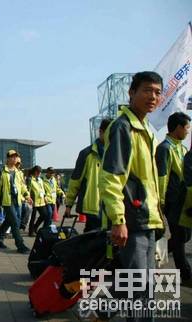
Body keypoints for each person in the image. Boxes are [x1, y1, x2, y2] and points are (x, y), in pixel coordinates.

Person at [99, 71, 164, 321]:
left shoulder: (146, 130)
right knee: (139, 290)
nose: (153, 96)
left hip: (148, 221)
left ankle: (104, 311)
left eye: (157, 92)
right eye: (147, 90)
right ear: (132, 93)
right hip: (132, 222)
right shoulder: (123, 127)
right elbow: (112, 177)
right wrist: (118, 219)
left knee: (143, 290)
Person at [156, 112, 191, 286]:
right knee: (179, 237)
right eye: (186, 128)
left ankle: (154, 257)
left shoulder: (183, 148)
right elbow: (162, 177)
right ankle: (186, 276)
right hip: (172, 201)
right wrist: (161, 203)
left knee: (183, 237)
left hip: (185, 201)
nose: (187, 131)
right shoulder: (164, 149)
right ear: (177, 128)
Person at [65, 118, 112, 232]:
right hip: (93, 208)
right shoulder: (86, 154)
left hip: (112, 206)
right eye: (110, 132)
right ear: (101, 132)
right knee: (93, 238)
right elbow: (75, 180)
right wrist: (68, 204)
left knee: (110, 242)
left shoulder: (117, 154)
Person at [0, 150, 32, 254]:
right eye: (13, 157)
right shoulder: (2, 171)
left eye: (16, 157)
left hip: (17, 200)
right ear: (8, 158)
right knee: (15, 222)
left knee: (10, 221)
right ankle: (20, 245)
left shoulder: (19, 172)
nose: (15, 159)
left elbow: (22, 186)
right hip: (7, 201)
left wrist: (27, 195)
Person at [27, 166, 48, 236]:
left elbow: (42, 189)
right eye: (39, 172)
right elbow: (27, 190)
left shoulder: (40, 179)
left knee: (44, 215)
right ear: (35, 172)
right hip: (33, 201)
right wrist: (28, 198)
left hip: (41, 201)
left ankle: (35, 228)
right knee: (33, 217)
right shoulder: (29, 179)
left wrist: (45, 197)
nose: (40, 174)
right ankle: (31, 232)